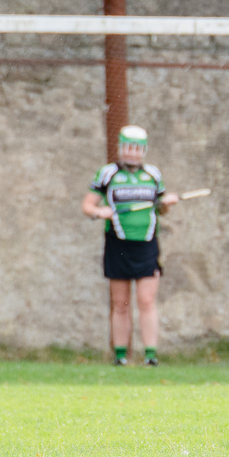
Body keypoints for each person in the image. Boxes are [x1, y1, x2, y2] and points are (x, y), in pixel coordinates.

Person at [82, 125, 178, 367]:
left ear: (143, 150)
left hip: (147, 244)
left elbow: (161, 208)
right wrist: (98, 211)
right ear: (120, 148)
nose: (132, 153)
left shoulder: (153, 175)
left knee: (146, 300)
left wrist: (166, 203)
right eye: (128, 148)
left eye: (137, 149)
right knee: (121, 302)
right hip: (118, 244)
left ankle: (151, 356)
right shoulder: (107, 174)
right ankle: (121, 356)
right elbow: (88, 206)